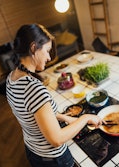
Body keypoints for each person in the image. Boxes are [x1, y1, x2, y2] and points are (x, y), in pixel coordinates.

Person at [6, 23, 103, 167]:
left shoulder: (12, 78)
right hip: (53, 160)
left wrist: (65, 117)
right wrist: (85, 118)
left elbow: (34, 114)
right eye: (47, 50)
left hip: (33, 151)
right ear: (33, 48)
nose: (49, 57)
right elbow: (56, 139)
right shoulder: (34, 89)